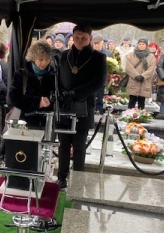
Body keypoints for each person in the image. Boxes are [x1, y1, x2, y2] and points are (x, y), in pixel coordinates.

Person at [56, 23, 107, 189]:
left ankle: (77, 180)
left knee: (79, 145)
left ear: (90, 38)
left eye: (83, 38)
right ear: (72, 37)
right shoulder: (64, 56)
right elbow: (58, 78)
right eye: (77, 37)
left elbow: (99, 82)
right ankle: (61, 177)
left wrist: (76, 94)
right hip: (65, 104)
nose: (79, 40)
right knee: (63, 144)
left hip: (84, 105)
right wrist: (62, 94)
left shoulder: (99, 58)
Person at [9, 40, 54, 128]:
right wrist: (37, 103)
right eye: (40, 59)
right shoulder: (21, 74)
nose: (44, 63)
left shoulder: (54, 75)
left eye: (47, 59)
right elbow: (14, 97)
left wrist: (50, 102)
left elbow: (59, 99)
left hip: (47, 123)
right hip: (24, 123)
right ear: (33, 58)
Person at [125, 38, 156, 109]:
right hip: (134, 80)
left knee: (141, 101)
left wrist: (143, 76)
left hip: (144, 81)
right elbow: (128, 67)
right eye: (140, 44)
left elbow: (151, 68)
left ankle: (140, 116)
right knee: (132, 100)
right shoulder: (131, 55)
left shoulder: (151, 56)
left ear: (146, 45)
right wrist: (136, 75)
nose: (141, 46)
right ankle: (130, 116)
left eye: (143, 44)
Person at [92, 35, 111, 114]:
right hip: (91, 79)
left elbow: (111, 68)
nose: (96, 45)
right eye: (95, 44)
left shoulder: (108, 53)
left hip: (102, 79)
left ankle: (99, 111)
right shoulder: (90, 52)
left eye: (98, 43)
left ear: (102, 43)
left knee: (100, 97)